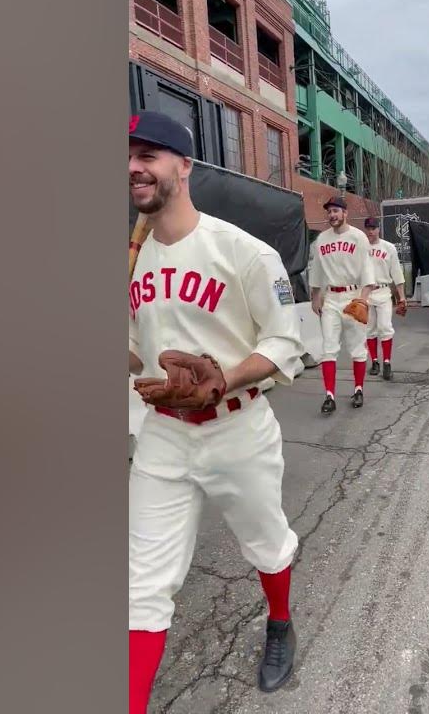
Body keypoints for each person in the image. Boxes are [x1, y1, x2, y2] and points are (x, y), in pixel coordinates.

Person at [127, 110, 303, 712]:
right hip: (163, 437)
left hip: (237, 427)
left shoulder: (243, 252)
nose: (134, 166)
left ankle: (279, 623)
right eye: (128, 156)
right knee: (142, 586)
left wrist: (223, 379)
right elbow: (135, 353)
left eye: (149, 154)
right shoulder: (128, 259)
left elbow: (285, 339)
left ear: (184, 165)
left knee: (265, 542)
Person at [307, 197, 375, 413]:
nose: (332, 215)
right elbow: (317, 271)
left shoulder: (358, 237)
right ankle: (329, 395)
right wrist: (315, 296)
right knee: (328, 348)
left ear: (345, 213)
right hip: (331, 298)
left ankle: (358, 389)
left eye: (336, 211)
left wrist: (363, 299)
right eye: (329, 212)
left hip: (353, 295)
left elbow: (367, 271)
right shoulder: (322, 240)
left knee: (357, 348)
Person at [363, 217, 406, 380]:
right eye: (368, 228)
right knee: (369, 329)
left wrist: (401, 297)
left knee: (385, 327)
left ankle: (387, 362)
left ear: (378, 229)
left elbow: (396, 273)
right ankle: (374, 361)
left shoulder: (389, 248)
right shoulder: (361, 248)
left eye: (373, 228)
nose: (370, 231)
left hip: (383, 291)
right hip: (366, 293)